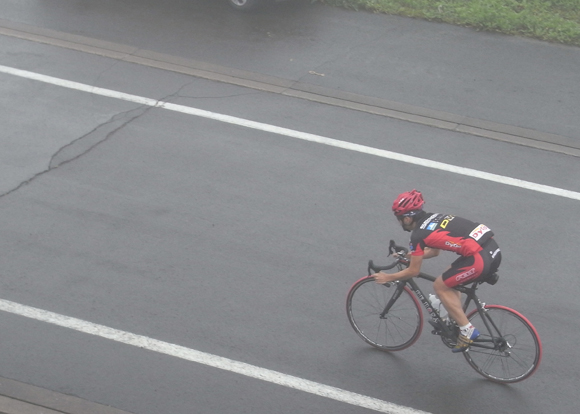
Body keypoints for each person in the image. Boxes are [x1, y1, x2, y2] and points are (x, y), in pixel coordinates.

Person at [373, 190, 502, 352]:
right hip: (491, 250)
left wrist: (388, 277)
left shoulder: (417, 235)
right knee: (450, 275)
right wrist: (408, 255)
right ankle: (456, 319)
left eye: (399, 219)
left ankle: (467, 330)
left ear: (407, 218)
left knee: (440, 286)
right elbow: (434, 251)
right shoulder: (432, 218)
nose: (400, 223)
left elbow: (413, 271)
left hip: (478, 260)